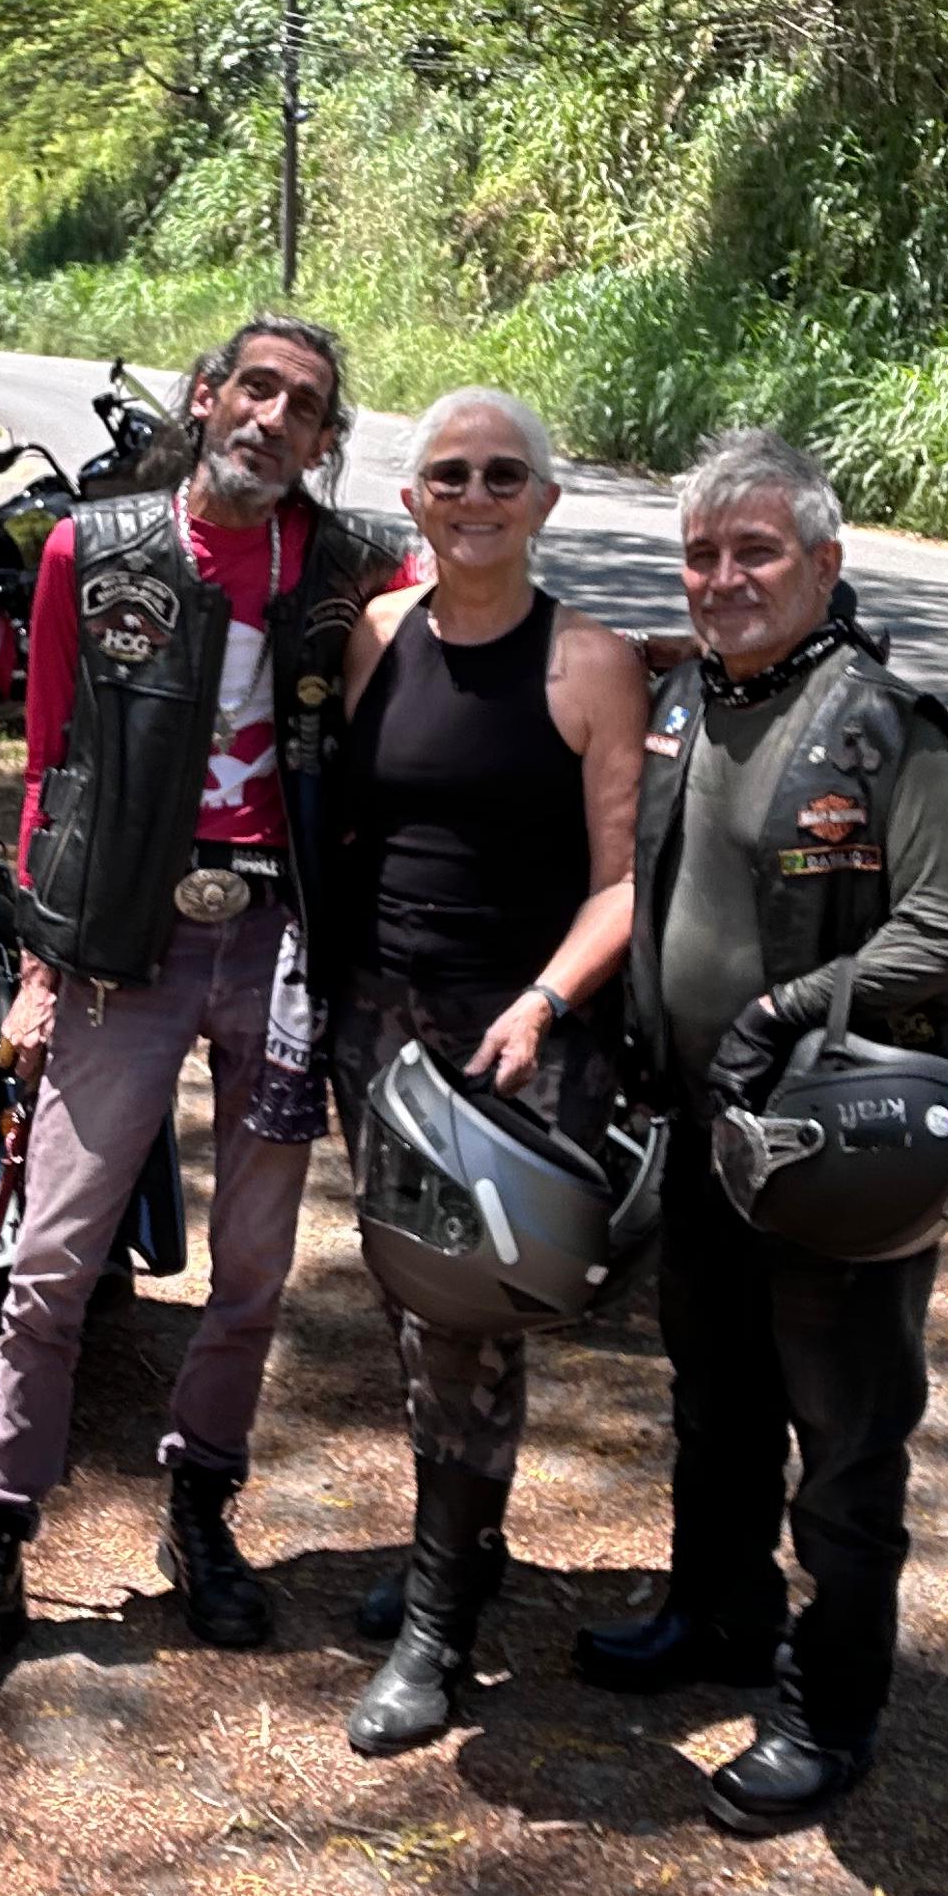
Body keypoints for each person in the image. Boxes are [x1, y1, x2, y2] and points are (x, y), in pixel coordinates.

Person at [0, 317, 397, 1719]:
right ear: (205, 396)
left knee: (255, 1266)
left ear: (323, 439)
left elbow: (478, 613)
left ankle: (202, 1507)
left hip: (280, 941)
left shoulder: (352, 567)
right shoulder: (92, 548)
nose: (274, 419)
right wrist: (39, 964)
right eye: (256, 389)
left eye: (305, 406)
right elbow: (51, 758)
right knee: (56, 1255)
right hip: (127, 940)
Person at [608, 427, 948, 1832]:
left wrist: (794, 1004)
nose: (725, 579)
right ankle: (714, 1611)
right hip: (705, 1132)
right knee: (713, 1396)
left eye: (756, 552)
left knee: (845, 1435)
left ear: (824, 565)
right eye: (701, 556)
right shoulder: (685, 704)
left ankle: (831, 1707)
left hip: (834, 1145)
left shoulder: (888, 726)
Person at [325, 388, 648, 1755]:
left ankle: (438, 1623)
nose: (475, 496)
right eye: (449, 474)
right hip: (377, 1024)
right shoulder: (377, 636)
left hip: (509, 1037)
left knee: (465, 1321)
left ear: (545, 501)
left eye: (504, 474)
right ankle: (464, 1543)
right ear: (412, 501)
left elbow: (623, 884)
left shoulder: (591, 663)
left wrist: (541, 1002)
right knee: (412, 1307)